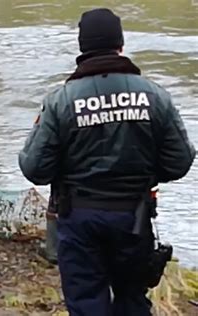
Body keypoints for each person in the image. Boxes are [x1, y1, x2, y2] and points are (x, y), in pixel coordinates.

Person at [19, 8, 195, 316]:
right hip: (133, 217)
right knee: (132, 299)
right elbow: (179, 162)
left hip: (79, 217)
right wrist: (145, 172)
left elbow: (34, 167)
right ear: (121, 45)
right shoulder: (156, 96)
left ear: (81, 48)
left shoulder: (61, 100)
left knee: (87, 302)